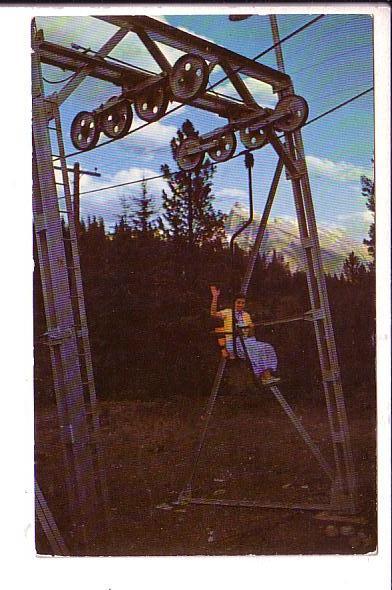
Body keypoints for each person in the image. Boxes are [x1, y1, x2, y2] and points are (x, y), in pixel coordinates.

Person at [209, 285, 280, 385]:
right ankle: (264, 376)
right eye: (238, 302)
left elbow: (251, 335)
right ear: (234, 303)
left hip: (247, 341)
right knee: (256, 349)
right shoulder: (228, 313)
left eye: (242, 303)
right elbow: (213, 314)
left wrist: (251, 328)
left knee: (267, 347)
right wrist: (215, 297)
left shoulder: (246, 315)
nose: (240, 305)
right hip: (233, 342)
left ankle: (267, 375)